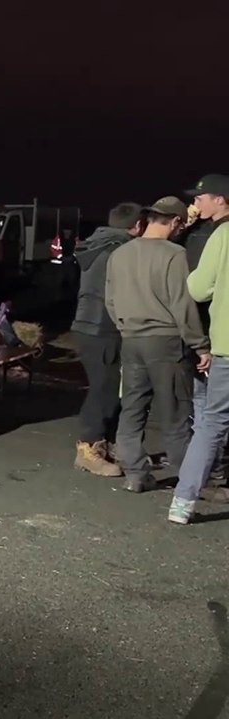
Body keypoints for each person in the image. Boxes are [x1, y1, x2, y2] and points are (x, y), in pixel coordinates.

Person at [104, 197, 208, 494]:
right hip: (165, 342)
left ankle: (136, 474)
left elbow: (110, 301)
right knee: (175, 412)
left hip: (131, 340)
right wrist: (199, 345)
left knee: (133, 408)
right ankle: (188, 480)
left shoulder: (120, 254)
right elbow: (182, 305)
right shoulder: (175, 254)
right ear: (175, 221)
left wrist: (126, 326)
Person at [69, 203, 145, 477]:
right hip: (104, 327)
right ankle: (88, 450)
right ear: (136, 226)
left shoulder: (97, 245)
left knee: (107, 387)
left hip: (89, 325)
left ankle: (102, 445)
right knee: (103, 389)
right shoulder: (120, 250)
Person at [171, 177, 229, 523]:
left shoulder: (221, 236)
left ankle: (183, 501)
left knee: (211, 423)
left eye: (202, 197)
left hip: (226, 346)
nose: (197, 204)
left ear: (221, 200)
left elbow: (198, 288)